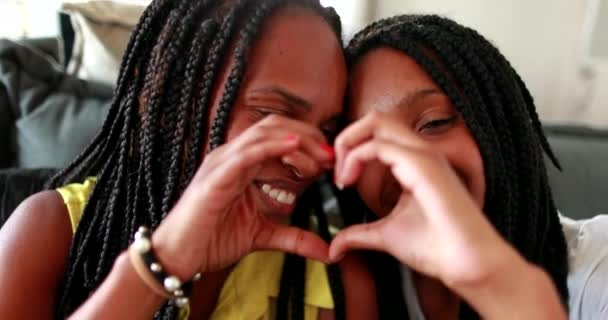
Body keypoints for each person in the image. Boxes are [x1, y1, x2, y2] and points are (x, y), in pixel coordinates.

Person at [0, 0, 378, 319]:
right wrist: (161, 263)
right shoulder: (52, 233)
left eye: (326, 131)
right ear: (162, 102)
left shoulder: (335, 281)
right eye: (271, 115)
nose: (306, 163)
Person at [328, 14, 607, 319]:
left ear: (504, 126)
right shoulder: (354, 286)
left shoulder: (598, 268)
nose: (406, 164)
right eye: (365, 143)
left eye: (435, 123)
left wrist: (492, 280)